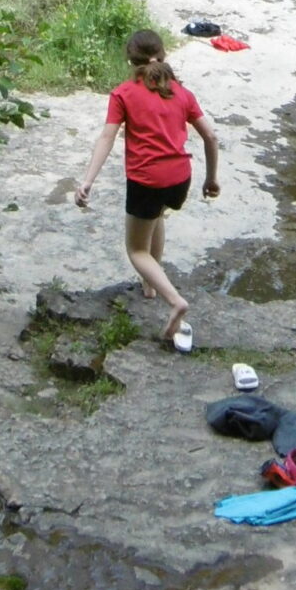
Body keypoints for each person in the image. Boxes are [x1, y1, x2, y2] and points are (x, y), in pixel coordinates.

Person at [73, 29, 221, 351]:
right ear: (162, 55)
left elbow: (107, 137)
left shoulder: (123, 94)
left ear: (131, 60)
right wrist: (211, 179)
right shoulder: (181, 92)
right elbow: (211, 136)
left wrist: (87, 180)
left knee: (136, 250)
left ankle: (175, 301)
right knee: (157, 216)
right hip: (180, 179)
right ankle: (150, 284)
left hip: (146, 180)